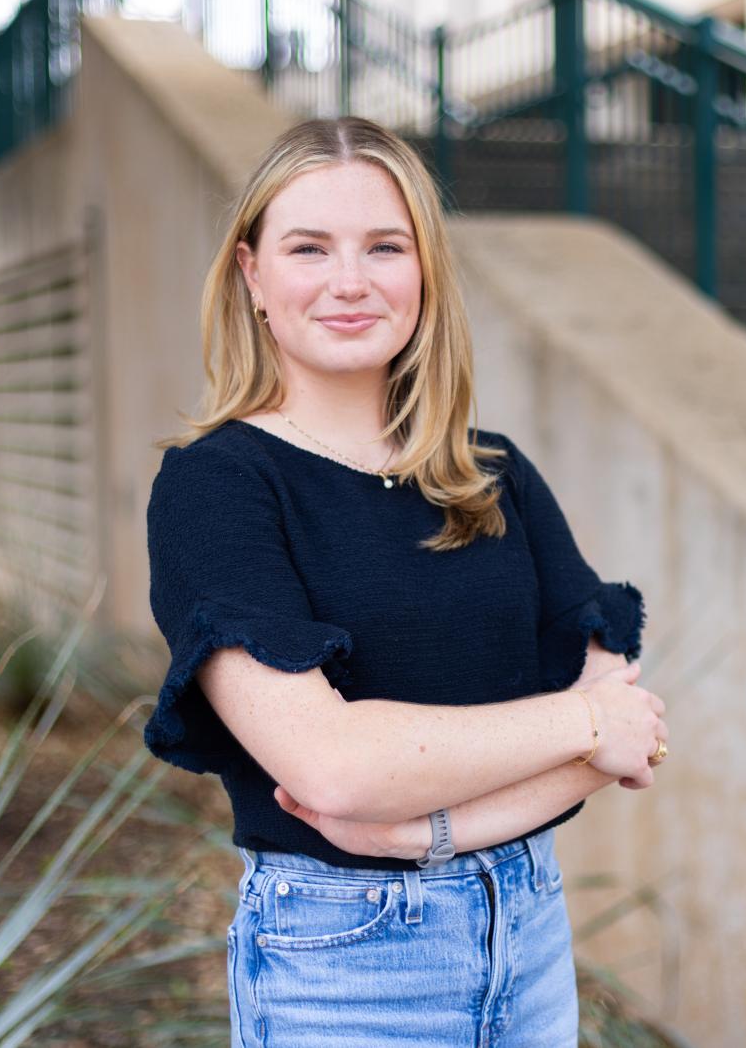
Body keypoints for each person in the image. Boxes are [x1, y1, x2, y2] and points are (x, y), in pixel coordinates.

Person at [143, 115, 668, 1048]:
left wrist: (420, 829)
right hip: (345, 960)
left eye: (385, 246)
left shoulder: (493, 473)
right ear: (253, 274)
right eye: (310, 247)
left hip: (532, 934)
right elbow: (332, 767)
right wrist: (582, 725)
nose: (351, 281)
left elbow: (625, 738)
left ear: (424, 272)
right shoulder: (217, 486)